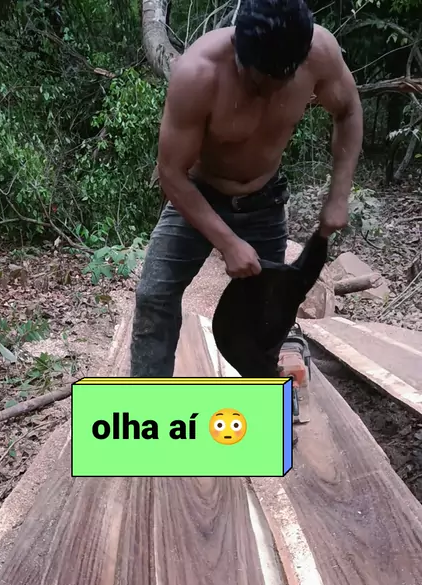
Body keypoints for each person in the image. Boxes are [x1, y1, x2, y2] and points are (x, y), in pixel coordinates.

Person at [130, 0, 363, 378]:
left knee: (265, 315)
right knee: (154, 297)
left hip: (264, 200)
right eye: (254, 80)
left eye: (275, 83)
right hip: (198, 195)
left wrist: (339, 195)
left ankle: (264, 401)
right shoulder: (199, 73)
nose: (263, 93)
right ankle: (146, 403)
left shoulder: (320, 55)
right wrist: (227, 242)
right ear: (239, 48)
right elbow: (171, 172)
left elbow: (349, 110)